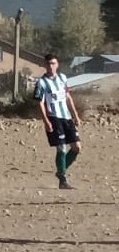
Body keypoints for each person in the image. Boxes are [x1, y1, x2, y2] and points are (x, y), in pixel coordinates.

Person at [34, 53, 81, 190]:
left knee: (77, 147)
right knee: (61, 147)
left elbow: (68, 97)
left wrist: (75, 115)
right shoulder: (41, 83)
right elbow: (40, 103)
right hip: (54, 118)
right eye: (48, 64)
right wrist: (46, 121)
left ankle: (61, 170)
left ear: (57, 64)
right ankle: (63, 179)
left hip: (66, 117)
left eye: (53, 63)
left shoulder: (62, 78)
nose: (51, 66)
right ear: (45, 65)